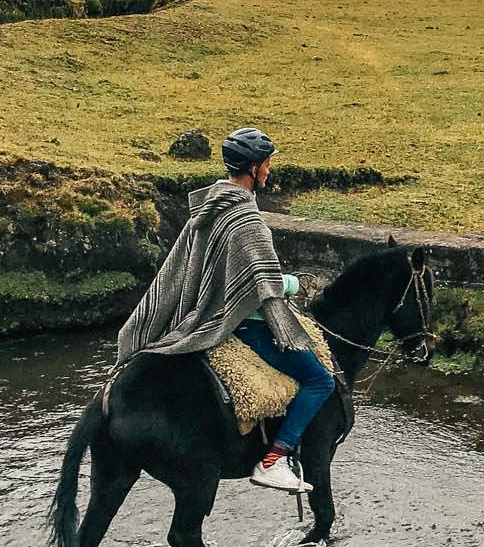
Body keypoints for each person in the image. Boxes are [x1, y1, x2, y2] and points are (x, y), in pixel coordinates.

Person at [113, 126, 336, 495]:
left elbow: (188, 270)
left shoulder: (211, 207)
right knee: (320, 381)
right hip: (248, 326)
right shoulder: (248, 223)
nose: (268, 171)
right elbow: (264, 285)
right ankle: (274, 460)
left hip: (208, 311)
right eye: (266, 164)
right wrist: (299, 284)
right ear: (253, 168)